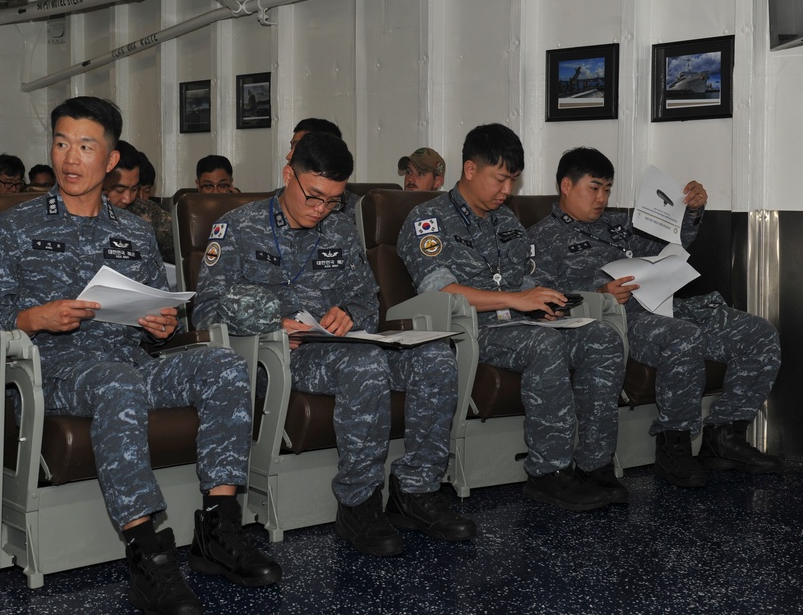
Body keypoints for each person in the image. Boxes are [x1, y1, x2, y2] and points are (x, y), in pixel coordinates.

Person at [0, 96, 280, 615]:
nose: (71, 158)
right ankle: (149, 555)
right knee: (117, 381)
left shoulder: (134, 231)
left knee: (223, 364)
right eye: (62, 143)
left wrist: (162, 323)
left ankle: (219, 530)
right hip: (49, 370)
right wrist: (34, 317)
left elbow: (161, 319)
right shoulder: (15, 227)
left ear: (110, 160)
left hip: (131, 363)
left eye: (86, 146)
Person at [193, 131, 475, 558]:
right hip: (277, 356)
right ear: (289, 174)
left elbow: (367, 300)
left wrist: (348, 312)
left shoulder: (339, 229)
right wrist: (270, 320)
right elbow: (206, 310)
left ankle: (415, 490)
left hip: (339, 344)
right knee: (363, 367)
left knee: (434, 358)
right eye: (314, 197)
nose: (321, 209)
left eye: (332, 200)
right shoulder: (237, 227)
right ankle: (358, 503)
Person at [397, 124, 626, 511]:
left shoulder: (506, 221)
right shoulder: (428, 220)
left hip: (520, 323)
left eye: (513, 181)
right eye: (500, 179)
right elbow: (441, 292)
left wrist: (549, 302)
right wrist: (517, 300)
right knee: (545, 343)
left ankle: (593, 464)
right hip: (470, 329)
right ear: (470, 170)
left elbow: (530, 278)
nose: (507, 191)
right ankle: (548, 474)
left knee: (602, 337)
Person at [527, 146, 783, 486]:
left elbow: (671, 243)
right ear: (566, 185)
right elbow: (541, 304)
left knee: (758, 332)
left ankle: (725, 436)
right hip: (617, 321)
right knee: (681, 335)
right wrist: (598, 296)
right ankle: (673, 445)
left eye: (607, 189)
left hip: (666, 306)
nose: (602, 198)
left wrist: (691, 210)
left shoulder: (618, 225)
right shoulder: (541, 238)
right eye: (594, 188)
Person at [103, 140, 174, 264]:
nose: (128, 198)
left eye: (134, 189)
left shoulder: (145, 211)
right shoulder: (76, 213)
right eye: (120, 190)